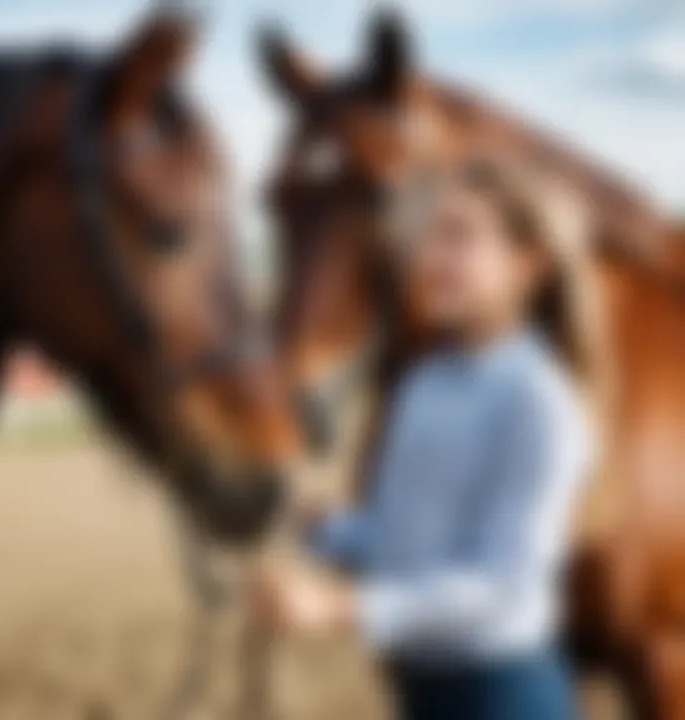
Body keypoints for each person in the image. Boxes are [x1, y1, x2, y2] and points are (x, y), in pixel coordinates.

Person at [251, 157, 604, 720]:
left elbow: (502, 585)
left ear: (527, 266)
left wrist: (339, 608)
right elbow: (404, 539)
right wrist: (317, 527)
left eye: (459, 236)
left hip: (501, 696)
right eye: (431, 235)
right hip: (421, 693)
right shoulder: (424, 381)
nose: (430, 257)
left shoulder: (541, 404)